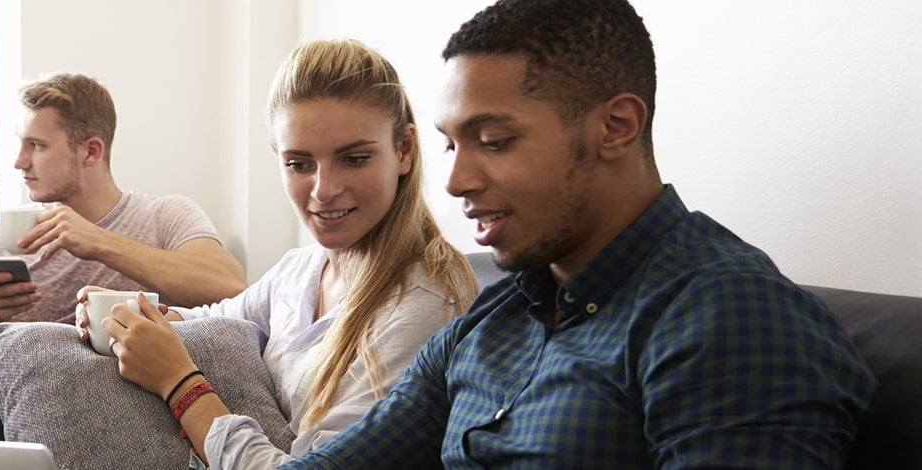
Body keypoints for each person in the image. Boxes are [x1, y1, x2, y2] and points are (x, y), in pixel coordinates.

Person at [171, 0, 877, 467]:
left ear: (616, 127)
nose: (455, 182)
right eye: (454, 145)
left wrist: (188, 393)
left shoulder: (726, 317)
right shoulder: (492, 321)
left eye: (495, 141)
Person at [93, 38, 479, 469]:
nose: (324, 190)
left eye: (353, 159)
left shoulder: (423, 306)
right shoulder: (302, 268)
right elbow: (220, 317)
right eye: (299, 164)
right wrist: (131, 315)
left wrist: (180, 384)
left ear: (403, 150)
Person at [0, 72, 251, 469]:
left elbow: (228, 284)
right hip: (10, 409)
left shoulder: (165, 216)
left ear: (90, 152)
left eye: (35, 146)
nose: (19, 162)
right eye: (20, 144)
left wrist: (98, 241)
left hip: (135, 411)